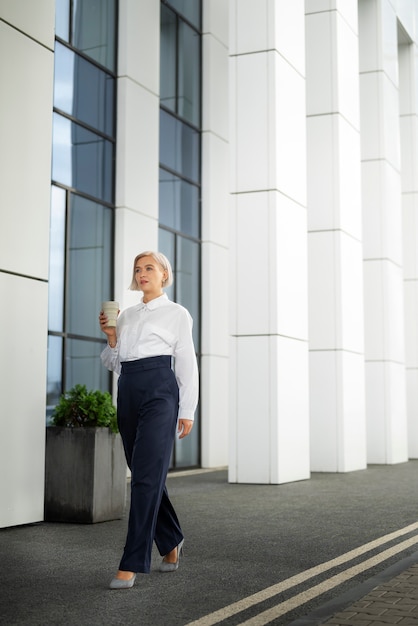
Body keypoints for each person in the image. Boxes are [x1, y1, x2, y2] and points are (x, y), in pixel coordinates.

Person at [99, 251, 199, 590]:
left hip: (160, 389)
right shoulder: (125, 316)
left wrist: (187, 409)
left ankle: (131, 561)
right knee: (145, 472)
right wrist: (112, 339)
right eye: (138, 269)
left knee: (144, 478)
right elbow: (116, 362)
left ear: (164, 274)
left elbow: (186, 362)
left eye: (149, 268)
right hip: (129, 388)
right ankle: (171, 540)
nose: (142, 273)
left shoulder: (177, 314)